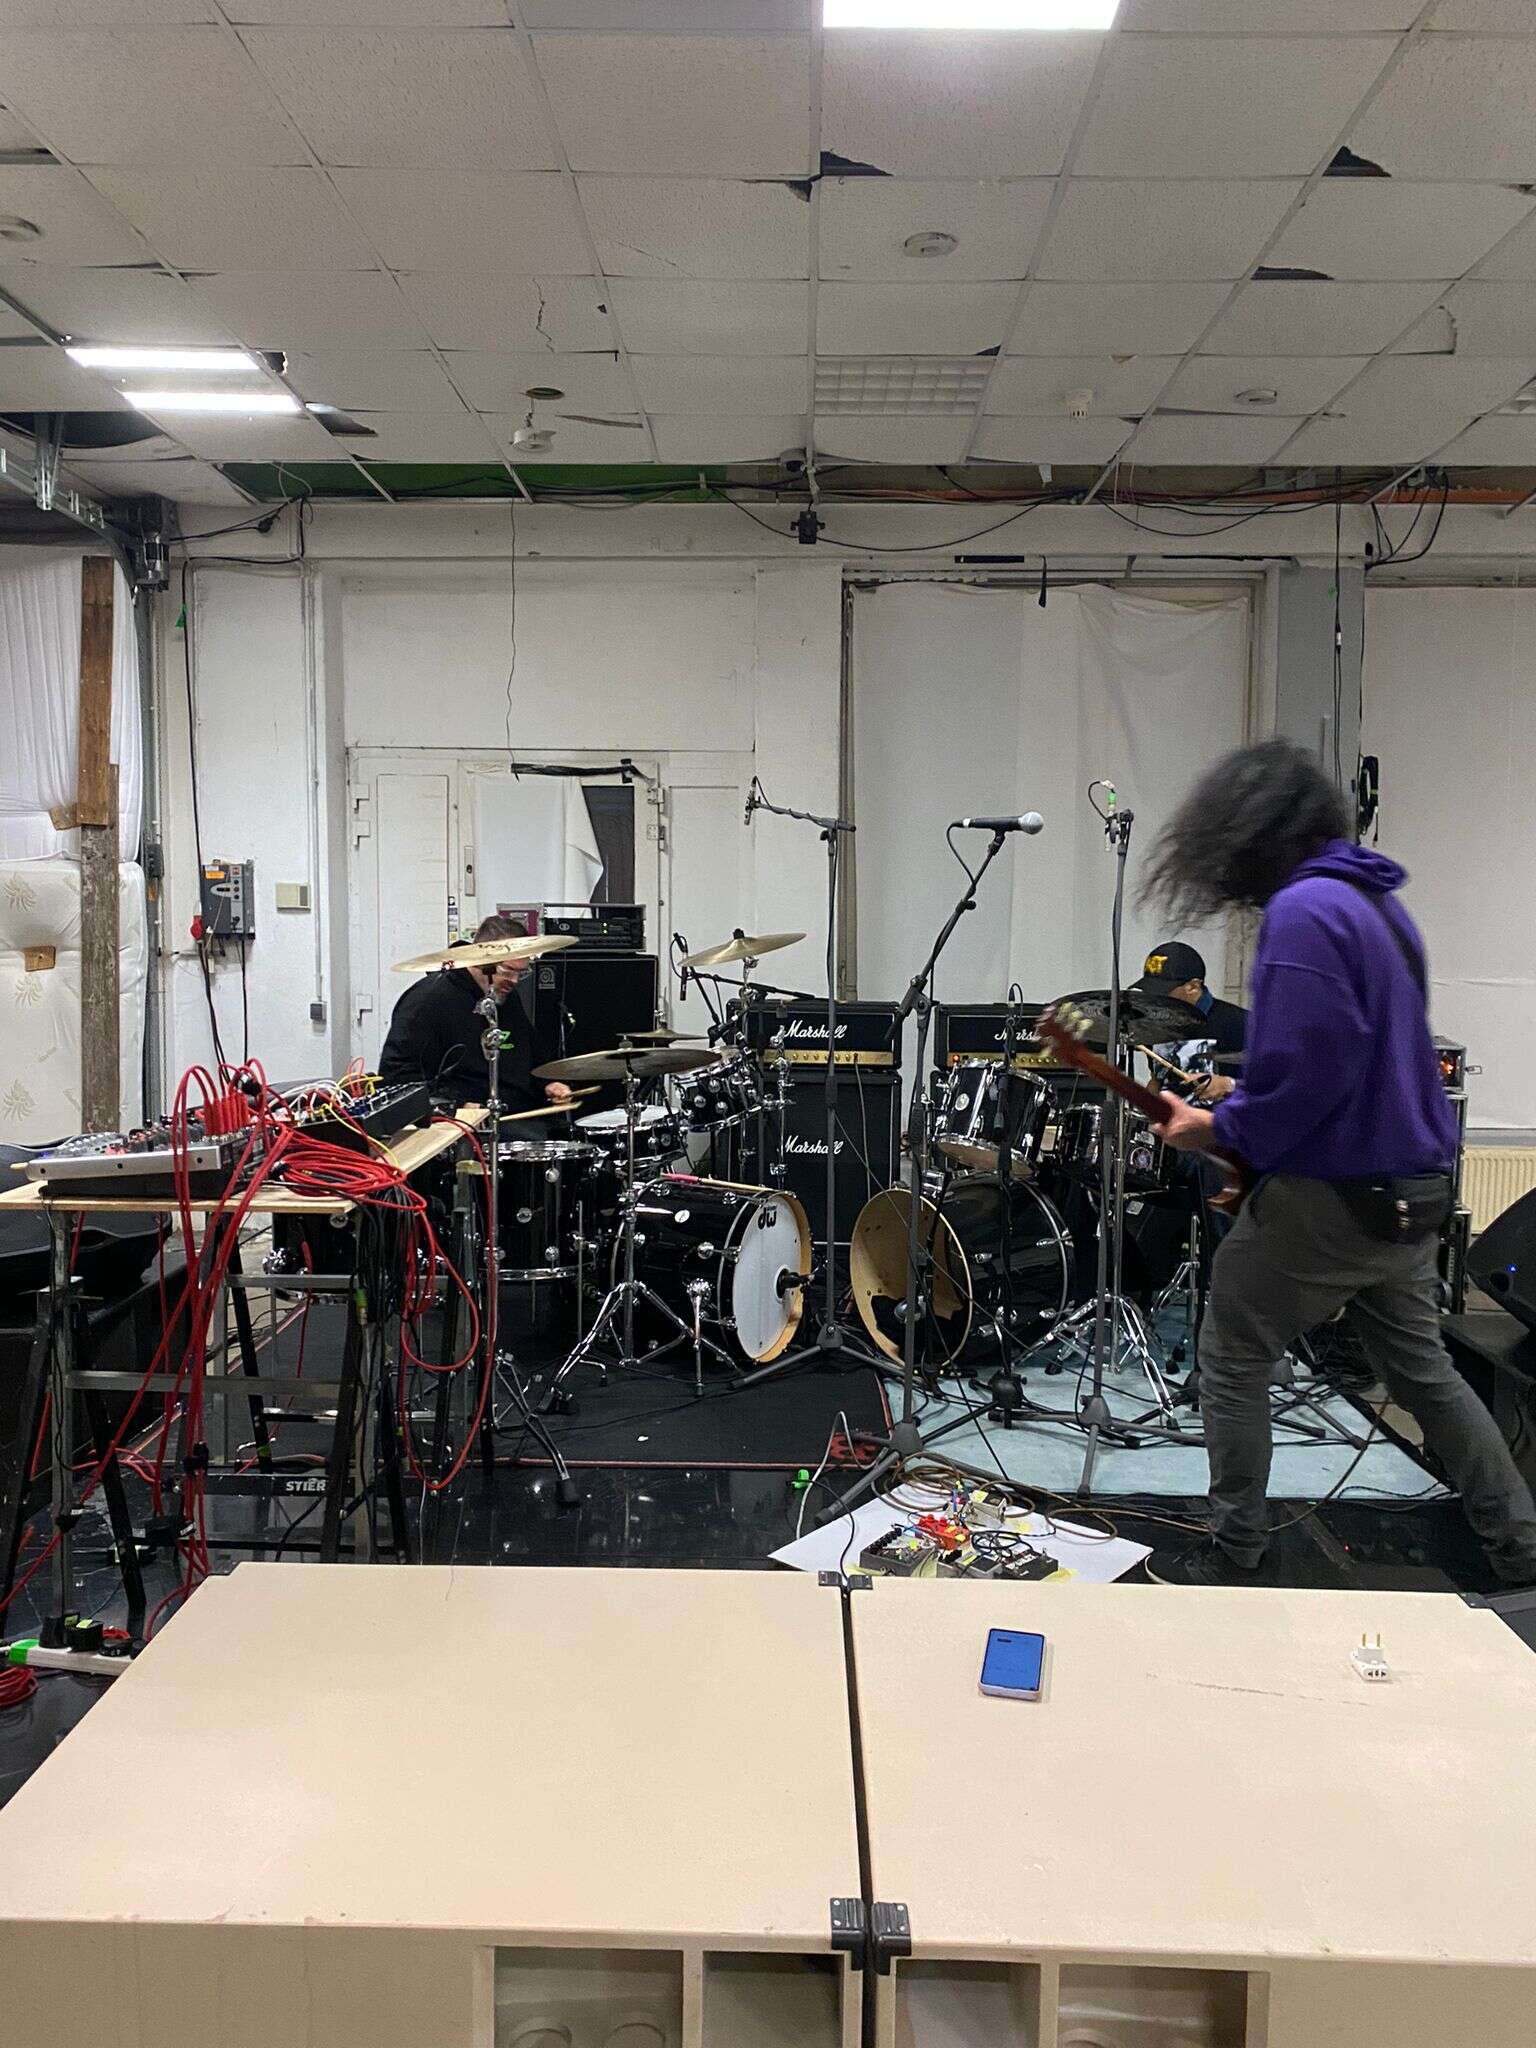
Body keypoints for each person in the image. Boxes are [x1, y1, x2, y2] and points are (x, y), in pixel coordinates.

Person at [1140, 738, 1536, 1589]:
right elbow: (1356, 1061)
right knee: (1423, 1374)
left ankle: (1235, 1549)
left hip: (1339, 1196)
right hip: (1414, 1190)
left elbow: (1306, 1081)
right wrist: (1249, 1126)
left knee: (1234, 1349)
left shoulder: (1304, 913)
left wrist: (1216, 1128)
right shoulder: (1378, 906)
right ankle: (1519, 1541)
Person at [379, 914, 573, 1115]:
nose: (515, 981)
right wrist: (455, 1106)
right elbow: (397, 1077)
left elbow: (530, 1054)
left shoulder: (505, 995)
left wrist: (548, 1083)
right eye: (508, 970)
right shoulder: (428, 1000)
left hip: (515, 1113)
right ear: (483, 962)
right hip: (463, 1123)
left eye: (521, 973)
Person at [1133, 939, 1246, 1104]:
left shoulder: (1240, 1023)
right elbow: (1157, 1081)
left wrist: (1228, 1085)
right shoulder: (1156, 1025)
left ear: (1193, 986)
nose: (1155, 999)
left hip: (1222, 1118)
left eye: (1162, 992)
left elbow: (1272, 1088)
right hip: (1172, 1117)